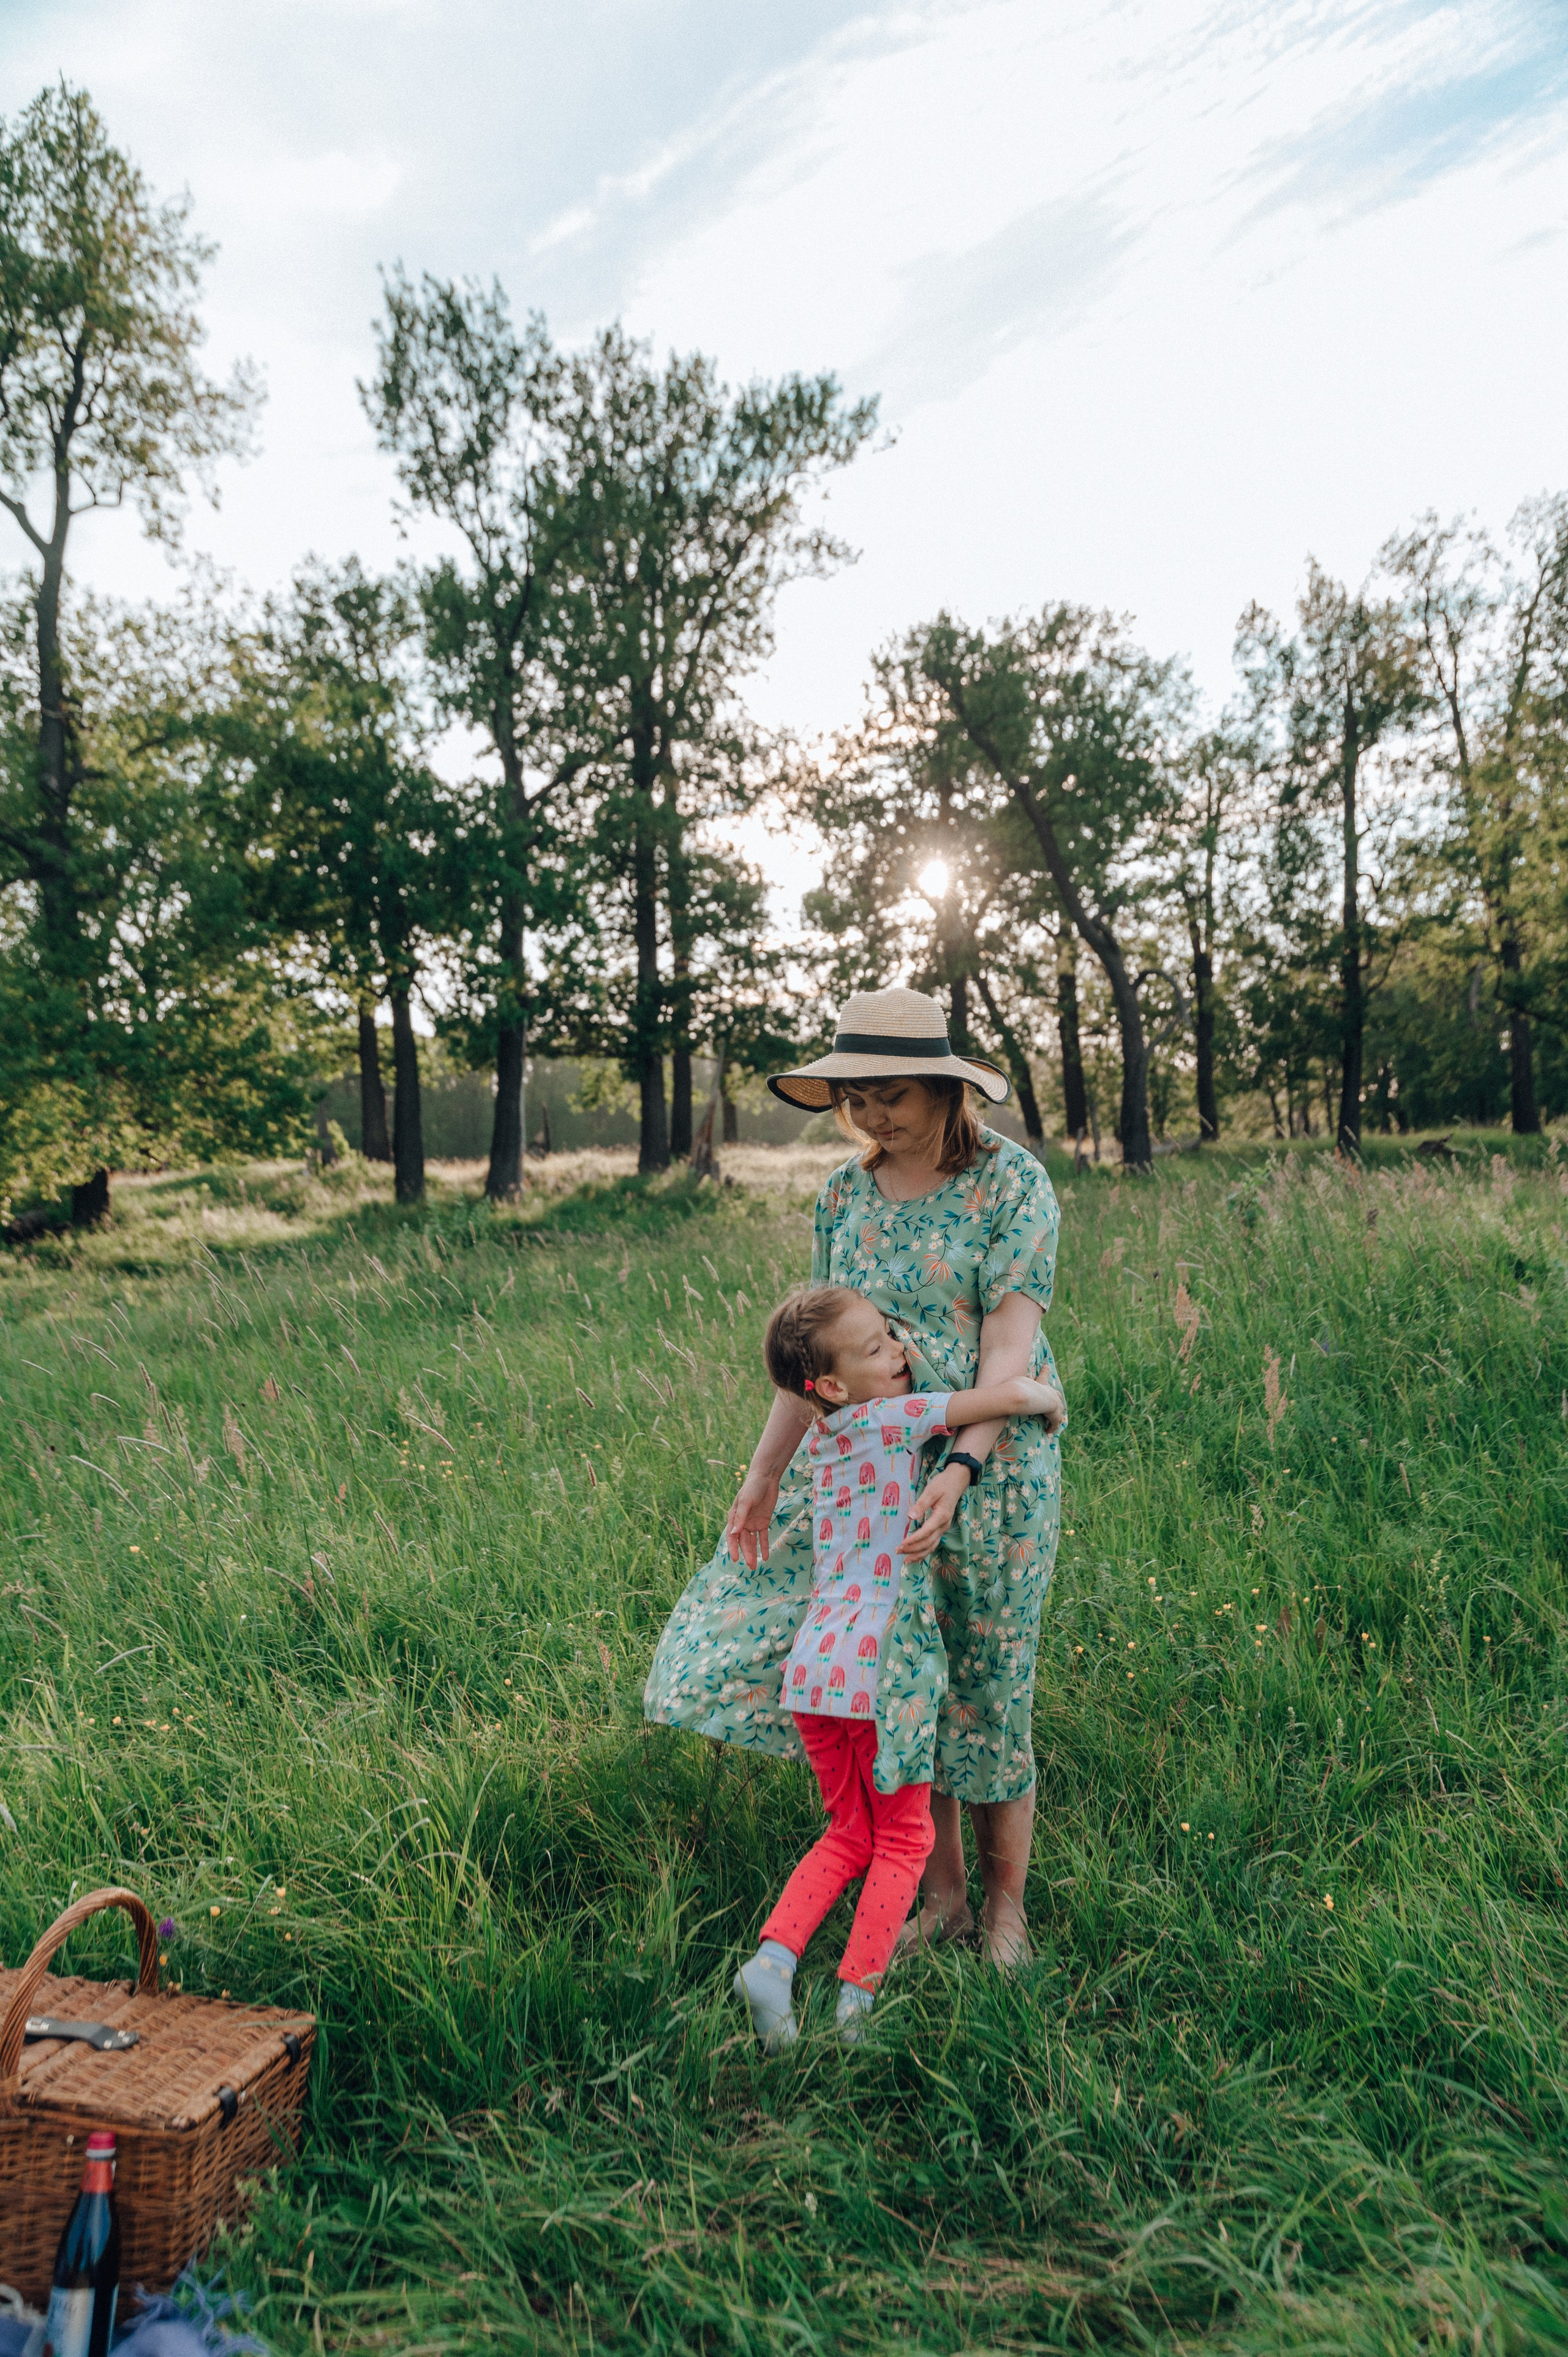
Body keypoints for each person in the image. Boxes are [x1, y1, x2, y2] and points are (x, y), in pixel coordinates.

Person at [644, 984, 1066, 1966]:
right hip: (869, 1487)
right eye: (856, 1099)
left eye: (892, 1095)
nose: (874, 1117)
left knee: (991, 1683)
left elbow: (1011, 1353)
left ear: (942, 1088)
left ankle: (1007, 1909)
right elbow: (817, 1364)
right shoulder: (842, 1197)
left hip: (991, 1473)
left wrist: (961, 1467)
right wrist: (760, 1477)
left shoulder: (1012, 1184)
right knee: (905, 1689)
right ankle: (944, 1896)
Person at [731, 1283, 1066, 2050]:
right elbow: (1000, 1393)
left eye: (893, 1335)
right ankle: (856, 2001)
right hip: (886, 1666)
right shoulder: (884, 1421)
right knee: (904, 1839)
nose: (901, 1351)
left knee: (849, 1830)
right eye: (878, 1346)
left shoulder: (821, 1444)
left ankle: (775, 1959)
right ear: (833, 1388)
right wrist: (1051, 1401)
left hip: (818, 1669)